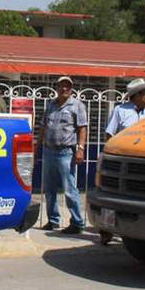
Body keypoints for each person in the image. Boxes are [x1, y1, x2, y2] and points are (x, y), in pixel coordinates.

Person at [98, 77, 145, 244]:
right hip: (121, 161)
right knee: (112, 197)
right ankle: (106, 229)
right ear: (136, 95)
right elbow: (109, 134)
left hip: (141, 163)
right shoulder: (120, 111)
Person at [38, 76, 89, 234]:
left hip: (66, 152)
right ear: (57, 88)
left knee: (69, 189)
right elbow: (43, 126)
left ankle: (77, 222)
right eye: (62, 86)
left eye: (68, 86)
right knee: (49, 188)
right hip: (49, 151)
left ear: (71, 89)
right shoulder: (51, 105)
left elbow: (82, 129)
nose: (64, 89)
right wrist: (37, 145)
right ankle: (53, 220)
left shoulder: (77, 105)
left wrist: (81, 149)